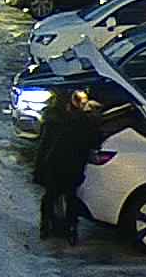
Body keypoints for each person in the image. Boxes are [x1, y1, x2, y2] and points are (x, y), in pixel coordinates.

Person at [31, 87, 100, 241]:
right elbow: (94, 142)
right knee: (71, 197)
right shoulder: (85, 123)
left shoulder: (53, 121)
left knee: (51, 196)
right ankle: (70, 229)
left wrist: (38, 168)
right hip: (73, 165)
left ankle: (46, 226)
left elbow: (44, 145)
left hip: (54, 164)